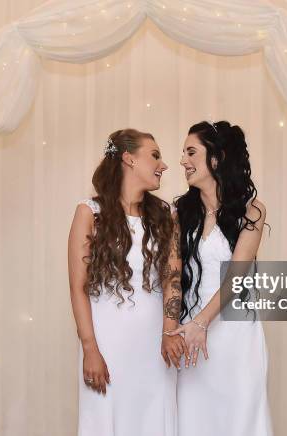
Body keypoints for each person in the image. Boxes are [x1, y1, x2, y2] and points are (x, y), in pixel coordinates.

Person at [68, 128, 186, 436]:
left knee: (154, 421)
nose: (164, 165)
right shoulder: (89, 212)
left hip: (155, 345)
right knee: (106, 419)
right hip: (107, 343)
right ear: (129, 159)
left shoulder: (166, 213)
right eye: (155, 156)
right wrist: (90, 348)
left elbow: (173, 278)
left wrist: (170, 332)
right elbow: (78, 286)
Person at [168, 121, 274, 436]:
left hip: (235, 334)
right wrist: (181, 327)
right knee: (195, 420)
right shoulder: (180, 212)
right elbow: (172, 275)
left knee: (240, 419)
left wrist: (202, 323)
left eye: (191, 152)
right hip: (192, 335)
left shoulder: (252, 211)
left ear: (216, 158)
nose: (183, 161)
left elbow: (238, 275)